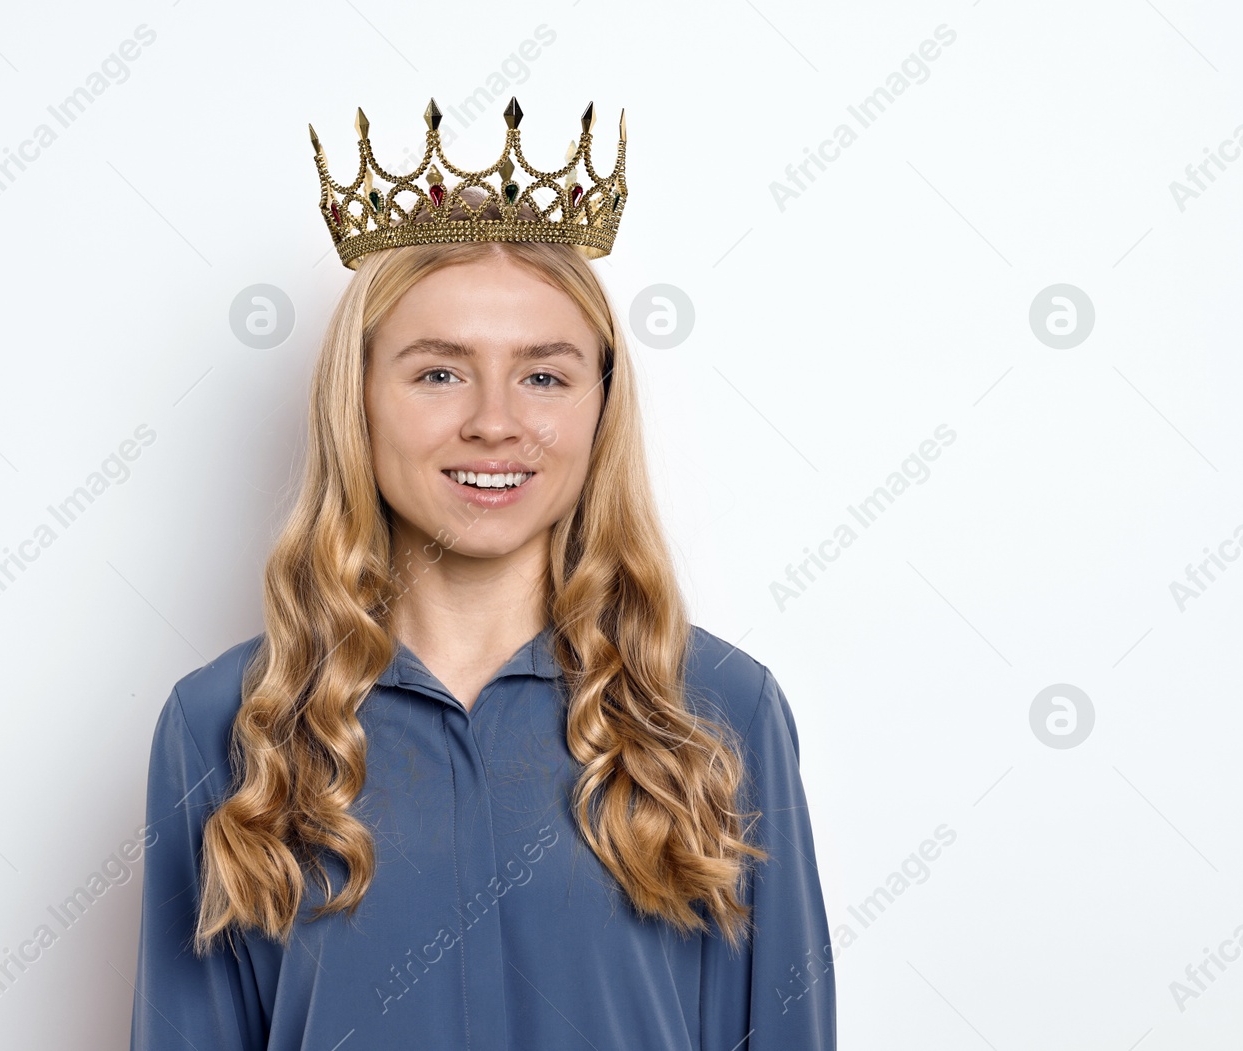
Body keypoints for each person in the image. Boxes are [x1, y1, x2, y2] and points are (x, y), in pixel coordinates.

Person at [130, 98, 836, 1050]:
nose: (495, 422)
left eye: (544, 375)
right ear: (360, 400)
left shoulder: (717, 709)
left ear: (600, 405)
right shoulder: (226, 723)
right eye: (439, 373)